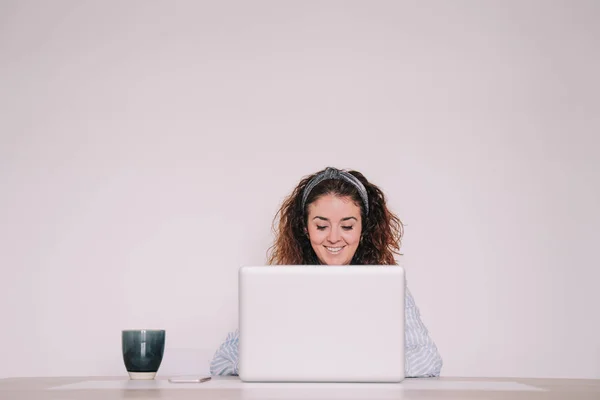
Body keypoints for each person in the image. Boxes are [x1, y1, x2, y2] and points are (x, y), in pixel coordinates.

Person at [210, 167, 443, 377]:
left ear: (363, 229)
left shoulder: (388, 286)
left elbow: (427, 359)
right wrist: (275, 362)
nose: (333, 237)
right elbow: (222, 360)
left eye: (347, 226)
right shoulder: (277, 285)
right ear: (305, 227)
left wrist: (339, 365)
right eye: (321, 226)